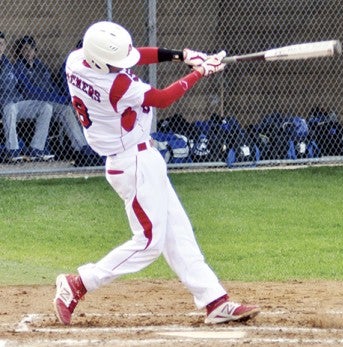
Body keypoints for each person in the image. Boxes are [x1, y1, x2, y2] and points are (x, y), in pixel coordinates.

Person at [53, 21, 260, 326]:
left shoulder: (77, 60)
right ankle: (79, 283)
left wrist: (183, 55)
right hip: (132, 164)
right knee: (149, 241)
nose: (123, 64)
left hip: (141, 158)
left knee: (178, 234)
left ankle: (214, 301)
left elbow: (136, 54)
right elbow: (162, 99)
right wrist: (200, 72)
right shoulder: (116, 86)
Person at [13, 35, 98, 164]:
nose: (28, 52)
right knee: (60, 107)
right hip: (32, 103)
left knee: (66, 110)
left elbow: (52, 86)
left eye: (30, 49)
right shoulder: (18, 67)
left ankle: (82, 147)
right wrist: (58, 99)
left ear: (35, 50)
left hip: (50, 101)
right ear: (20, 52)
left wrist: (59, 98)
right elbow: (30, 92)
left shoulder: (40, 66)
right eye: (24, 49)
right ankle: (80, 148)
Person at [0, 31, 54, 162]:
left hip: (17, 102)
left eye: (1, 44)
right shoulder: (17, 65)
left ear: (5, 46)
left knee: (46, 107)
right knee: (10, 108)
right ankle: (12, 151)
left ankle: (37, 149)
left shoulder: (7, 63)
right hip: (4, 105)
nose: (0, 47)